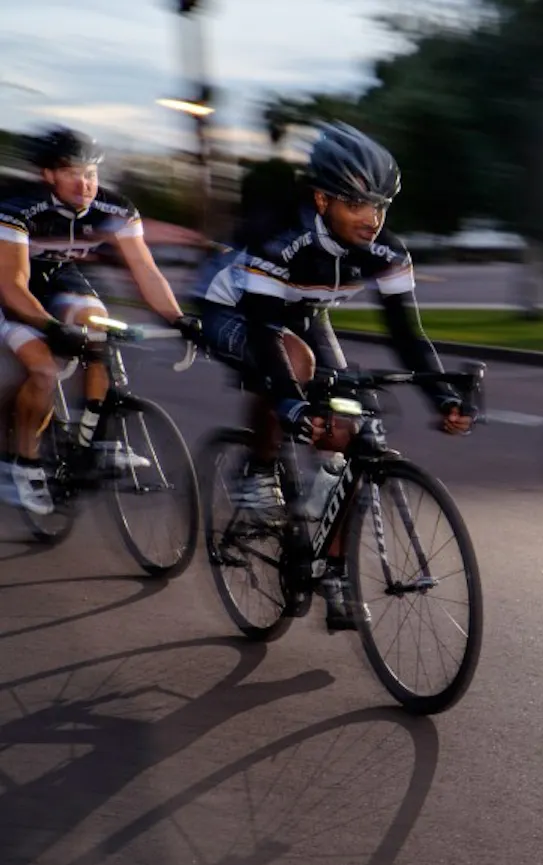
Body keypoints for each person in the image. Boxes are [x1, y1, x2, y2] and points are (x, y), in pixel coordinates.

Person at [195, 121, 471, 631]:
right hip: (232, 310)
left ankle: (334, 571)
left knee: (347, 429)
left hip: (304, 314)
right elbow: (263, 332)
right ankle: (257, 472)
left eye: (381, 206)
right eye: (358, 205)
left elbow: (407, 334)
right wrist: (292, 405)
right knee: (292, 366)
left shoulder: (387, 251)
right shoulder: (283, 241)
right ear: (322, 200)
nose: (372, 219)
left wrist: (443, 398)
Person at [0, 126, 200, 514]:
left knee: (100, 326)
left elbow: (146, 270)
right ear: (49, 175)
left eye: (90, 173)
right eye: (73, 173)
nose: (85, 183)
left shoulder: (115, 209)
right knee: (42, 370)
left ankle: (95, 432)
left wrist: (178, 318)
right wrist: (53, 329)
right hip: (12, 288)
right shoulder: (18, 210)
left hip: (61, 277)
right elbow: (13, 285)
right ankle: (23, 465)